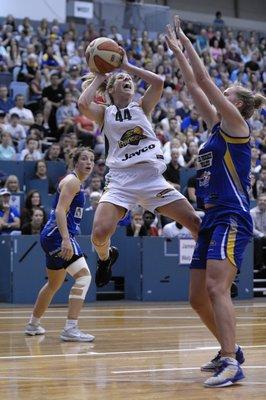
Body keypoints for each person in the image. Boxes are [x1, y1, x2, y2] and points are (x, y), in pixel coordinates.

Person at [165, 16, 265, 387]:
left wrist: (188, 42)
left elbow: (205, 80)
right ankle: (231, 348)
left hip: (232, 217)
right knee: (196, 296)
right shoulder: (214, 128)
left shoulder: (238, 126)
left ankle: (231, 362)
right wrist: (178, 53)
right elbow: (193, 84)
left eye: (227, 91)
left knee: (216, 288)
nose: (220, 92)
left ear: (236, 103)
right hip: (211, 217)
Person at [78, 47, 200, 288]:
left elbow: (159, 81)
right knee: (100, 233)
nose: (126, 79)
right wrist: (101, 76)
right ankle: (105, 258)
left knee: (196, 224)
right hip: (121, 180)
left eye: (129, 80)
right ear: (110, 90)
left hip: (151, 178)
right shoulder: (105, 113)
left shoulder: (141, 107)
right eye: (120, 79)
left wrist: (127, 67)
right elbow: (83, 104)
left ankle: (209, 271)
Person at [25, 147, 95, 342]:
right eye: (84, 159)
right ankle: (70, 328)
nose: (89, 162)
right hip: (57, 236)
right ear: (75, 162)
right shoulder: (72, 182)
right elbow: (59, 211)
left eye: (92, 159)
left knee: (54, 284)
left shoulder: (75, 182)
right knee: (84, 277)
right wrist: (65, 238)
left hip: (51, 235)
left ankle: (33, 325)